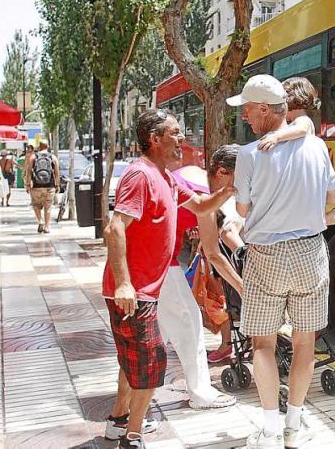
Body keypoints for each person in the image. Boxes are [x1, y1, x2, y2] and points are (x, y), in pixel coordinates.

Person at [102, 109, 236, 449]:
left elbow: (202, 206)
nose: (182, 139)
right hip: (135, 291)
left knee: (133, 361)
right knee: (151, 364)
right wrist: (124, 283)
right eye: (174, 133)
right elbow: (115, 228)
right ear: (154, 139)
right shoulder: (141, 175)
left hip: (145, 289)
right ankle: (132, 437)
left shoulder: (166, 177)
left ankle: (119, 421)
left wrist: (229, 189)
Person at [227, 74, 335, 449]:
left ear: (264, 109)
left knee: (263, 344)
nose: (244, 116)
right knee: (305, 342)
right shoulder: (317, 147)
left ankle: (270, 430)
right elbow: (334, 198)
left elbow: (242, 209)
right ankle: (294, 426)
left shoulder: (249, 154)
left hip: (267, 255)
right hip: (310, 251)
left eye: (247, 109)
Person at [156, 155, 243, 410]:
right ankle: (201, 393)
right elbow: (214, 252)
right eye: (240, 179)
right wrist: (242, 286)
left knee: (157, 333)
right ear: (222, 172)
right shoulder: (205, 195)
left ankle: (136, 397)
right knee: (189, 322)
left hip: (152, 260)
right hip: (161, 262)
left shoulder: (193, 173)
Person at [258, 77, 335, 243]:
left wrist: (276, 137)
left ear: (291, 100)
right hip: (303, 178)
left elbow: (301, 130)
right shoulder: (295, 122)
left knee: (316, 219)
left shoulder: (303, 121)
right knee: (313, 219)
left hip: (306, 178)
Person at [26, 140, 59, 234]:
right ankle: (47, 227)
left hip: (36, 186)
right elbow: (57, 173)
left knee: (35, 205)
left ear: (39, 146)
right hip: (49, 186)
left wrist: (27, 184)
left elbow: (29, 172)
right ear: (48, 146)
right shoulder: (53, 157)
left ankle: (40, 221)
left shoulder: (33, 157)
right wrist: (57, 185)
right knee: (48, 207)